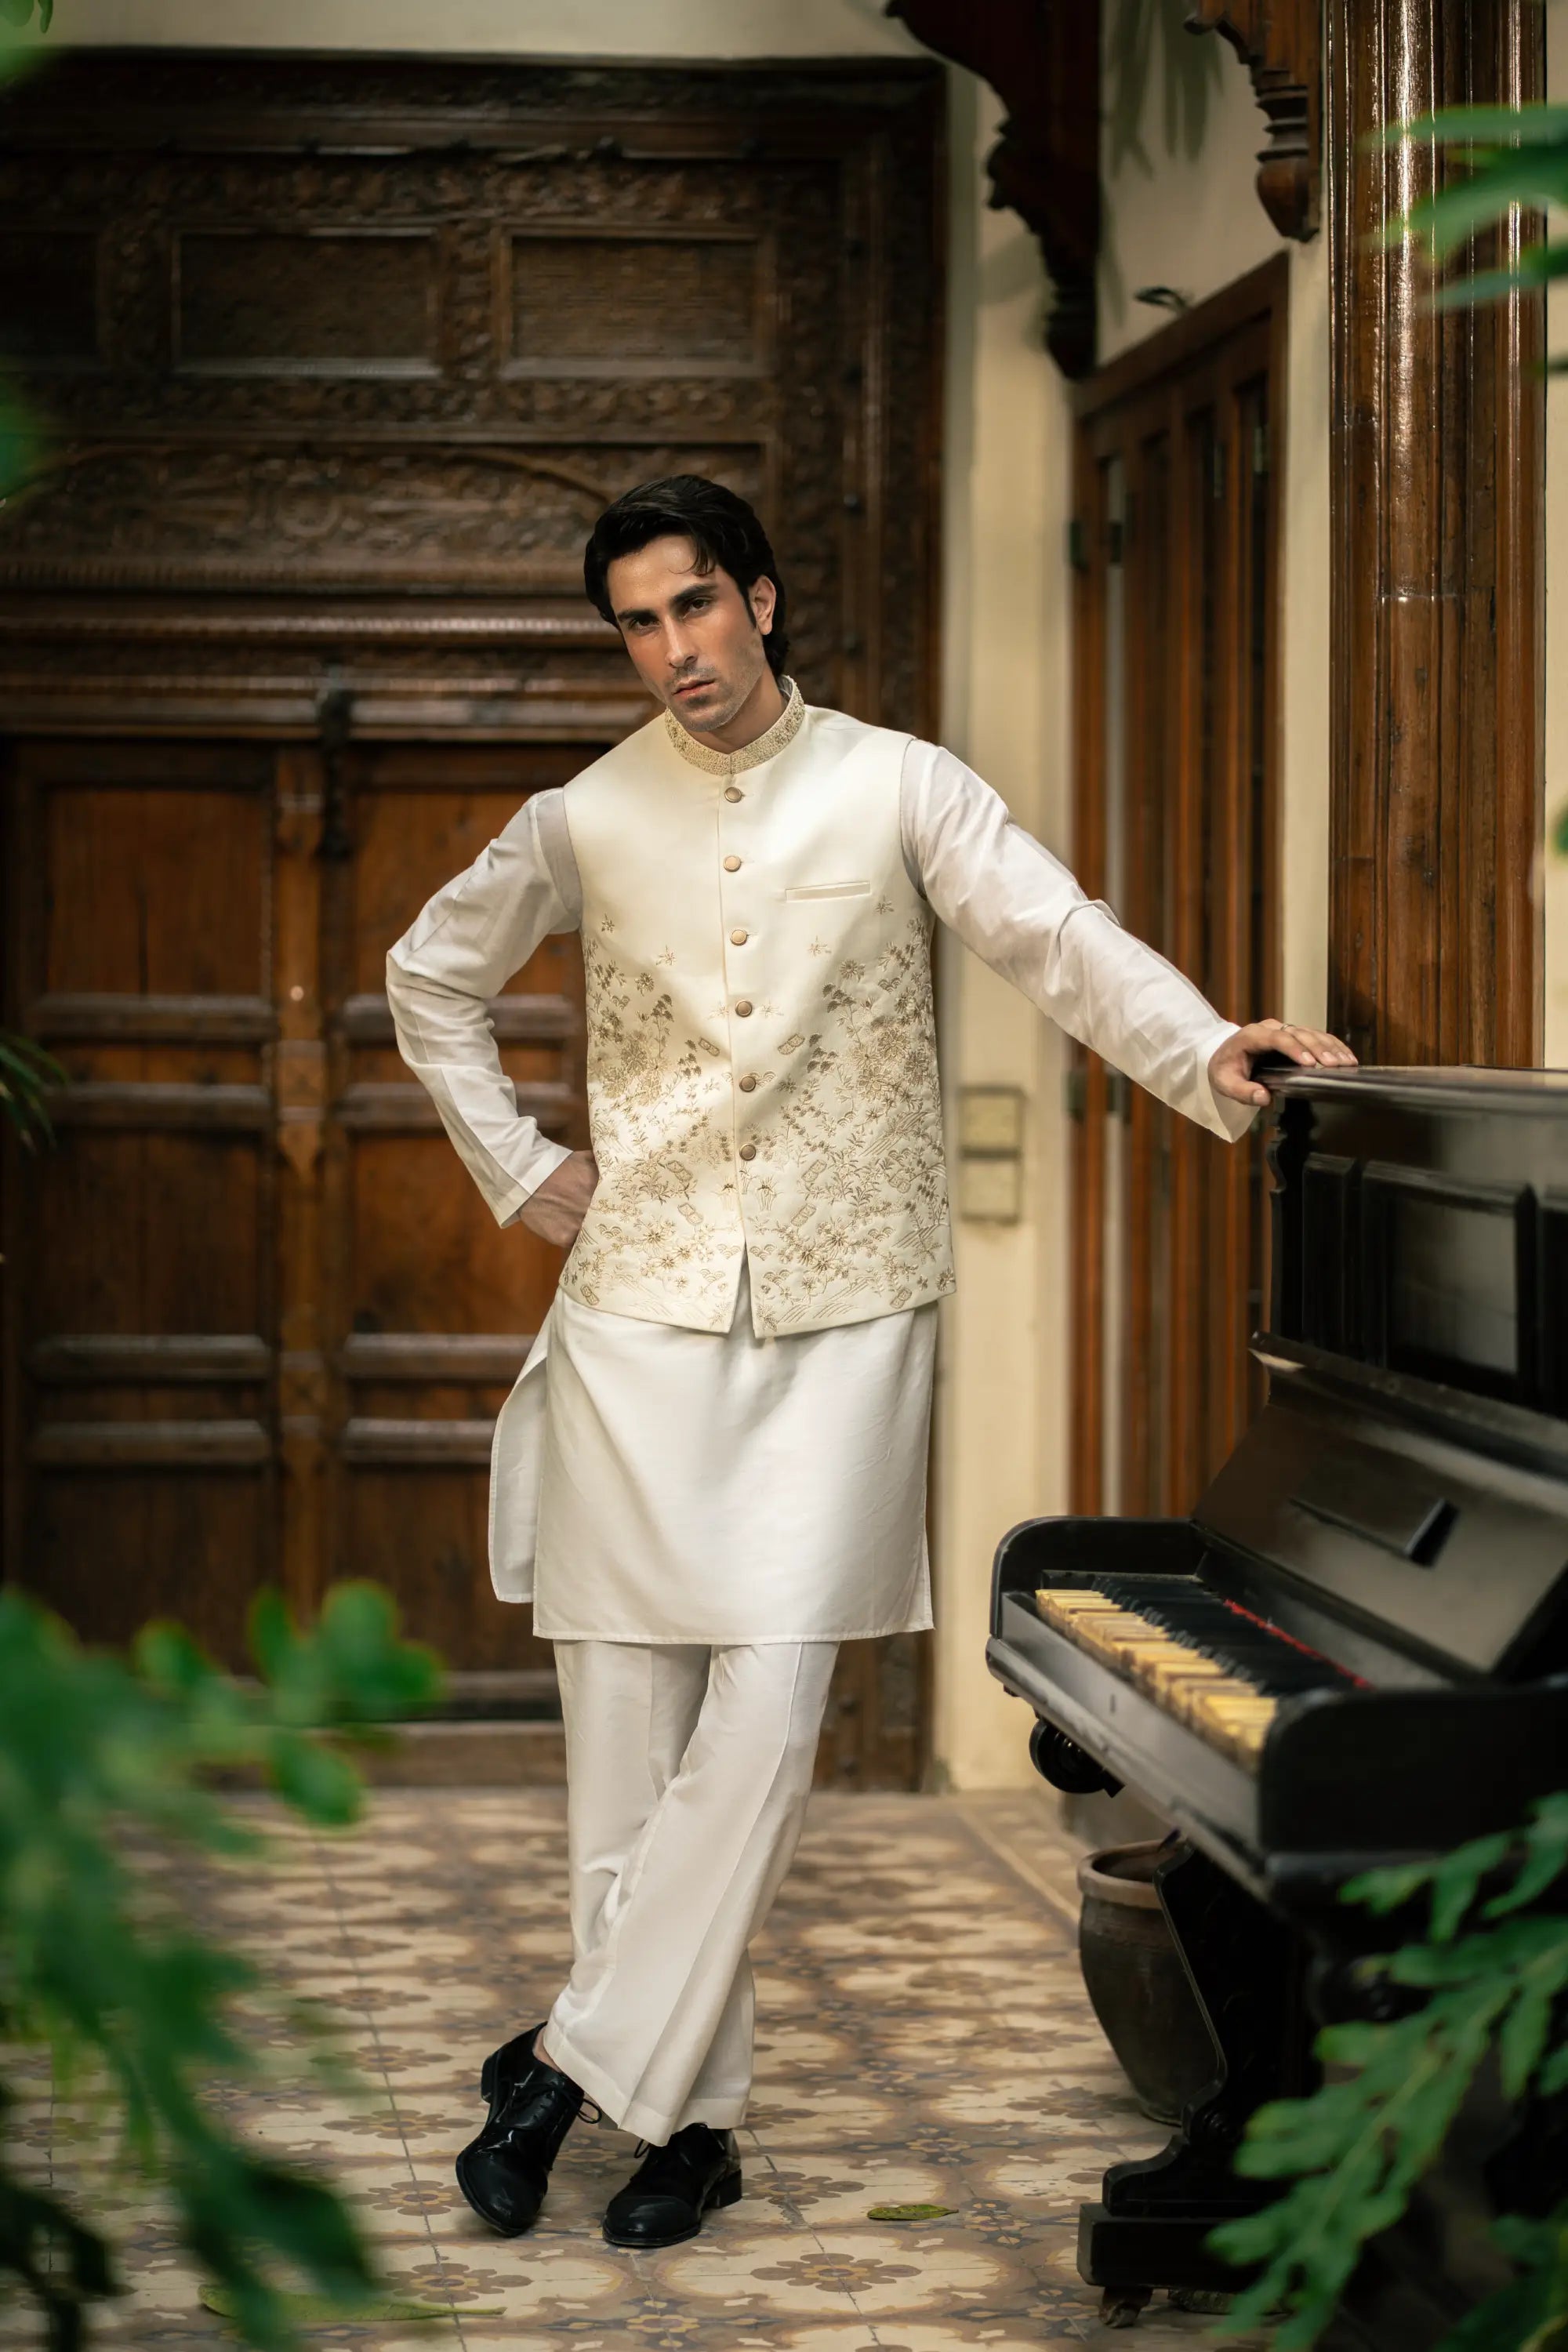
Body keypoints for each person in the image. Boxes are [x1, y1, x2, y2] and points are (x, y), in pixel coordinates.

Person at [386, 474, 1355, 2253]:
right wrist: (526, 1175)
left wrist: (1211, 1046)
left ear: (758, 598)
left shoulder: (902, 783)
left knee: (763, 1713)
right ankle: (690, 2126)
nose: (670, 652)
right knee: (627, 1734)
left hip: (844, 1315)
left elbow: (1052, 938)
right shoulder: (581, 817)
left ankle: (566, 2066)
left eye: (692, 607)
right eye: (636, 625)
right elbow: (423, 975)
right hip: (633, 1311)